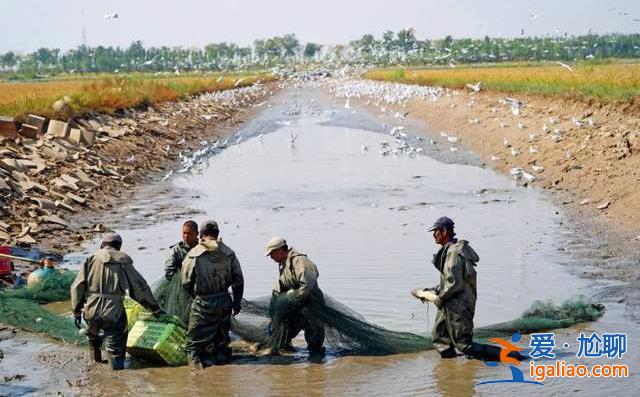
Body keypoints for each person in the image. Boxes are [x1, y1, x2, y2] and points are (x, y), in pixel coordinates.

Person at [70, 232, 164, 370]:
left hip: (90, 309)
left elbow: (77, 286)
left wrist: (76, 310)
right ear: (119, 246)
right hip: (112, 311)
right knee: (115, 348)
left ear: (102, 245)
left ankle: (95, 369)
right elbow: (139, 288)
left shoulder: (90, 259)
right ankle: (117, 378)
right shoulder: (122, 260)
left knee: (93, 338)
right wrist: (154, 307)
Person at [182, 220, 244, 369]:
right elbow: (239, 280)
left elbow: (185, 281)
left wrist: (195, 296)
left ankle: (196, 377)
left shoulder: (195, 254)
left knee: (193, 345)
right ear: (217, 234)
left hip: (203, 302)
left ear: (201, 235)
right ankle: (223, 374)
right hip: (224, 300)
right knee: (221, 341)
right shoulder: (228, 253)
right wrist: (236, 302)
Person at [425, 216, 479, 359]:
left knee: (464, 345)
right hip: (448, 305)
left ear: (443, 232)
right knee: (440, 338)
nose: (433, 235)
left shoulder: (453, 253)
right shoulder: (448, 251)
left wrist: (440, 298)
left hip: (458, 306)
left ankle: (509, 354)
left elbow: (454, 284)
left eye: (435, 231)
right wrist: (434, 290)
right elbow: (448, 281)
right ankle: (449, 370)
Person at [264, 236, 325, 355]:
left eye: (272, 254)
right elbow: (282, 284)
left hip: (311, 303)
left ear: (280, 250)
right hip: (295, 303)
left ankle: (316, 365)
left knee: (314, 338)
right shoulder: (283, 264)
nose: (271, 257)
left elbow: (308, 284)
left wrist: (294, 299)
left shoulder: (300, 261)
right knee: (285, 330)